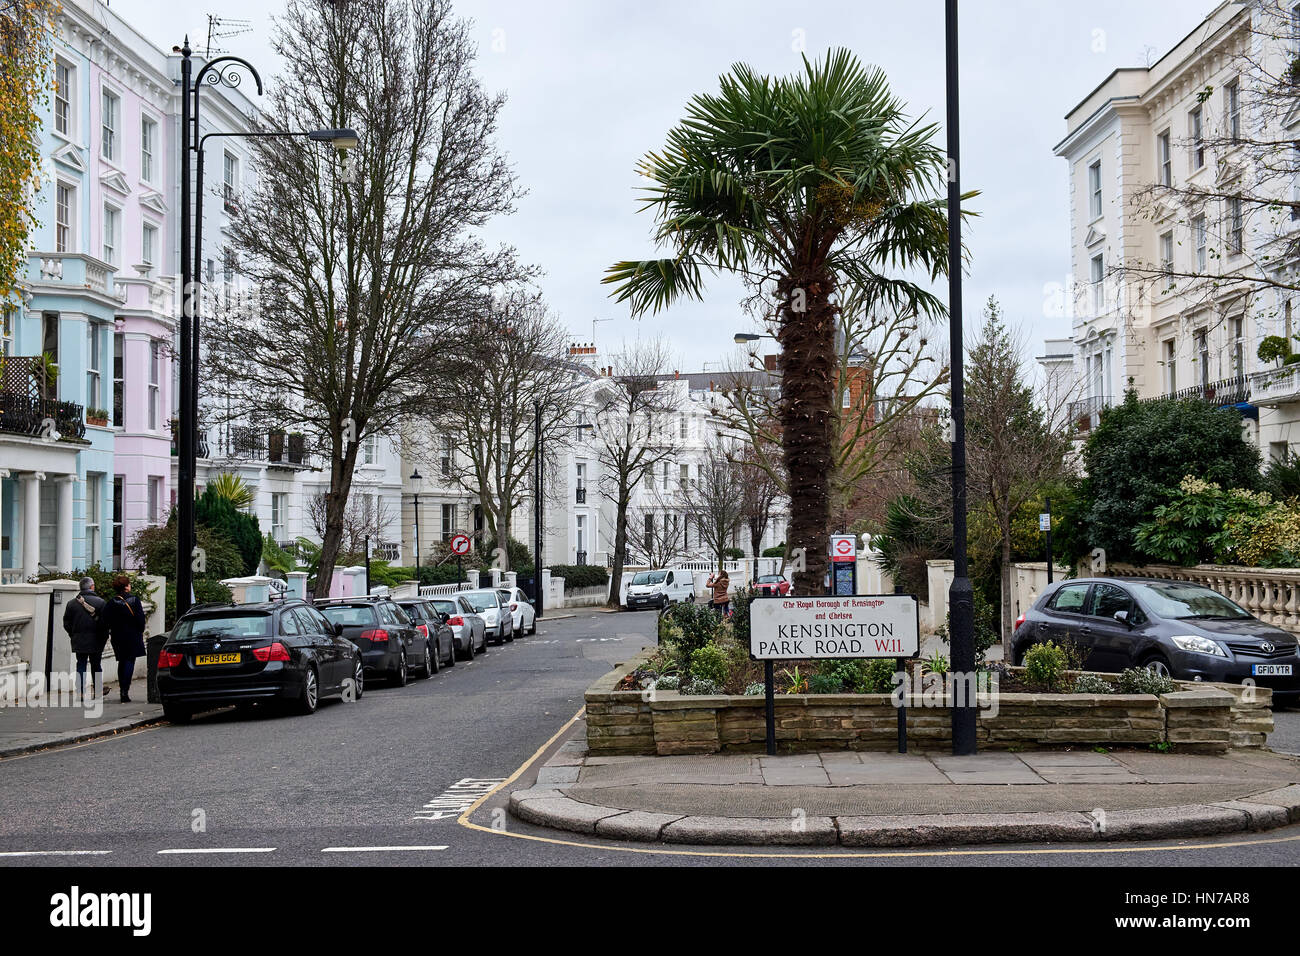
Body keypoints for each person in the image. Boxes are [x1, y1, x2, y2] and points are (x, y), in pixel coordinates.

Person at [104, 575, 146, 703]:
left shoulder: (112, 602)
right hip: (132, 635)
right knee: (129, 661)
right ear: (126, 587)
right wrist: (140, 629)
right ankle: (125, 691)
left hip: (118, 636)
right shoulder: (134, 600)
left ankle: (122, 688)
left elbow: (106, 620)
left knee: (121, 661)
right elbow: (140, 619)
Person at [63, 576, 108, 699]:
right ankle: (98, 691)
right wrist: (104, 638)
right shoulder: (101, 602)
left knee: (81, 664)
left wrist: (73, 634)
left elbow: (66, 623)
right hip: (97, 639)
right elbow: (105, 623)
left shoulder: (71, 604)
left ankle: (81, 691)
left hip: (79, 639)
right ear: (92, 587)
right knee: (96, 665)